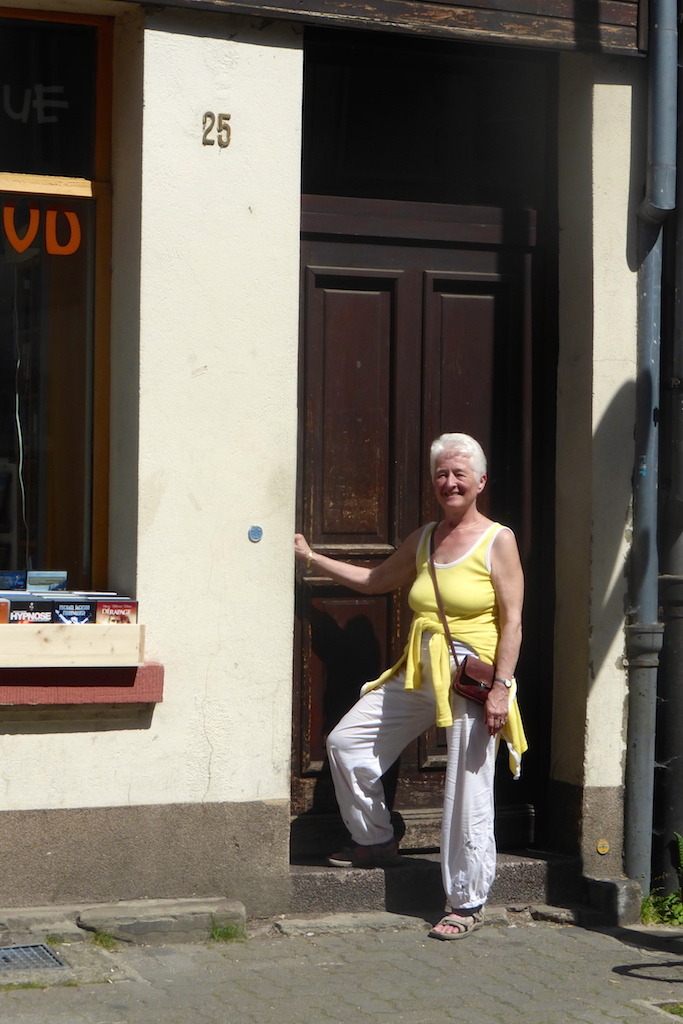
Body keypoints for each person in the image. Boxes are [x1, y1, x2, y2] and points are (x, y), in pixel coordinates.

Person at [294, 432, 527, 940]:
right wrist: (311, 558)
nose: (449, 482)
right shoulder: (425, 538)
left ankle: (465, 901)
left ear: (480, 482)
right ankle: (376, 839)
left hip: (472, 677)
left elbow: (512, 623)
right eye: (441, 474)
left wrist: (502, 688)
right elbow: (375, 580)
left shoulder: (497, 540)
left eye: (459, 474)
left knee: (467, 787)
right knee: (347, 742)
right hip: (421, 671)